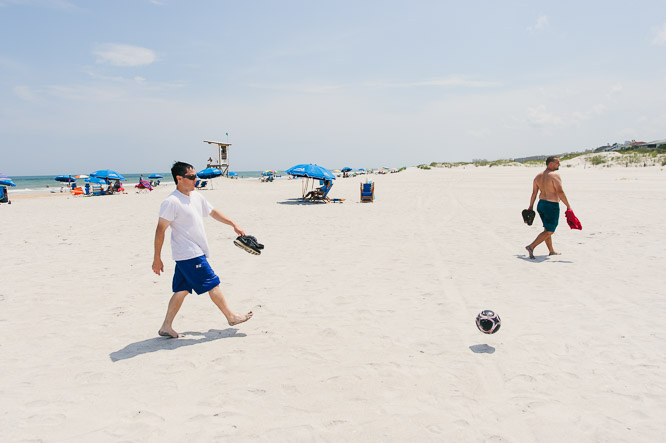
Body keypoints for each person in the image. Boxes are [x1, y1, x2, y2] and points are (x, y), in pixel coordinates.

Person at [152, 161, 253, 338]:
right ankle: (231, 317)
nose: (195, 179)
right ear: (179, 178)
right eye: (191, 177)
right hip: (189, 253)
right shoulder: (171, 202)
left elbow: (213, 212)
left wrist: (233, 224)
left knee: (181, 290)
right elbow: (160, 230)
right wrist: (157, 258)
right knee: (212, 282)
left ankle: (166, 326)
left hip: (192, 253)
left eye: (195, 176)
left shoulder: (196, 196)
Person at [525, 156, 572, 259]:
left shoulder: (538, 176)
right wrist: (568, 205)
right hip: (551, 205)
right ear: (551, 164)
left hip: (541, 204)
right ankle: (531, 246)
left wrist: (530, 206)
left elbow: (534, 193)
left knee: (547, 228)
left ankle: (551, 251)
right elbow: (560, 192)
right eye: (557, 163)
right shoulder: (554, 175)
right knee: (550, 230)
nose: (559, 164)